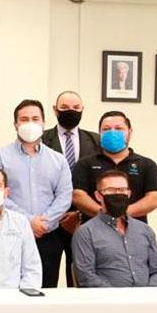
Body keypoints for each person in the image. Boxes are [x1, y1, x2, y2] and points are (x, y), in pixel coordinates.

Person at [0, 100, 72, 288]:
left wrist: (44, 223)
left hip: (47, 235)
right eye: (24, 119)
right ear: (15, 124)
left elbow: (64, 195)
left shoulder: (58, 160)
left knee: (46, 289)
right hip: (10, 233)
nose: (30, 123)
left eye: (35, 119)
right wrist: (28, 221)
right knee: (9, 289)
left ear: (43, 123)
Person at [40, 91, 100, 286]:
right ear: (55, 110)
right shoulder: (41, 140)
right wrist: (56, 214)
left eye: (75, 108)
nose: (70, 111)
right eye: (64, 108)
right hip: (49, 222)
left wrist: (80, 213)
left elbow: (99, 181)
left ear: (82, 109)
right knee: (46, 280)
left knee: (81, 281)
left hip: (84, 221)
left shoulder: (96, 141)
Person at [71, 170, 157, 287]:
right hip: (106, 297)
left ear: (129, 194)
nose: (117, 194)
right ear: (98, 196)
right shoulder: (86, 232)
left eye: (122, 190)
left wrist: (148, 292)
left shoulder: (145, 230)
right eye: (110, 190)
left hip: (148, 296)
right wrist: (118, 295)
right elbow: (86, 277)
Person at [72, 111, 157, 223]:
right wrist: (103, 215)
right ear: (100, 133)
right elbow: (77, 195)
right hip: (94, 227)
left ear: (130, 132)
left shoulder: (146, 164)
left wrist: (123, 214)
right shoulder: (85, 163)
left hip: (133, 228)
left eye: (118, 128)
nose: (112, 132)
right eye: (106, 129)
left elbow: (155, 198)